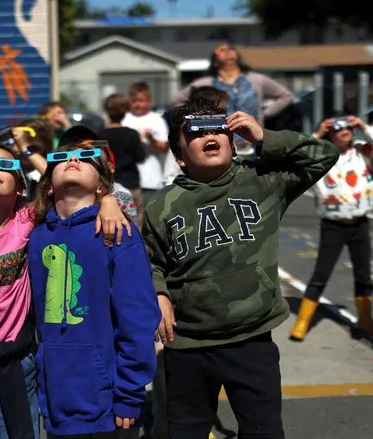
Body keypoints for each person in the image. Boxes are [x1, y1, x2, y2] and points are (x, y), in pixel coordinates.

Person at [143, 96, 339, 438]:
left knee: (263, 430)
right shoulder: (161, 205)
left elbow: (324, 155)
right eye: (195, 131)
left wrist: (264, 137)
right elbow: (150, 261)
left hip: (252, 340)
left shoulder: (263, 180)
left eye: (218, 127)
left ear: (234, 140)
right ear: (179, 158)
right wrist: (158, 293)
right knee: (185, 431)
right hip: (188, 345)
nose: (209, 135)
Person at [0, 145, 131, 439]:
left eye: (4, 165)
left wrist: (107, 198)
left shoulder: (27, 220)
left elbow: (63, 187)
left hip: (15, 358)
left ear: (21, 186)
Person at [27, 142, 160, 438]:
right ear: (48, 186)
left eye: (86, 158)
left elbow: (136, 319)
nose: (73, 159)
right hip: (55, 398)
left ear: (101, 186)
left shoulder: (118, 233)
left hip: (108, 399)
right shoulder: (35, 236)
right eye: (61, 157)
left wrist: (129, 393)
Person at [290, 114, 373, 341]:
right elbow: (297, 155)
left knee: (363, 275)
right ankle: (303, 322)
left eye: (348, 127)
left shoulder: (362, 152)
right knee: (321, 275)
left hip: (359, 223)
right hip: (332, 226)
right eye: (338, 128)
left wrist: (363, 125)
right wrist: (317, 133)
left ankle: (366, 323)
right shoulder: (321, 156)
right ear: (329, 133)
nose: (345, 130)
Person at [172, 43, 293, 160]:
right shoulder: (204, 83)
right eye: (222, 50)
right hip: (220, 142)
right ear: (215, 61)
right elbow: (176, 101)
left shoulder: (256, 79)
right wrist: (195, 118)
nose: (228, 51)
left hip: (253, 142)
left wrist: (264, 113)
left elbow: (285, 95)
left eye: (231, 49)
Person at [61, 125, 139, 222]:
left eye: (93, 151)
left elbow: (131, 231)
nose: (74, 159)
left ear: (110, 167)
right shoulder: (54, 195)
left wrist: (108, 198)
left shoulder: (120, 195)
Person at [122, 82, 177, 204]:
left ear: (149, 101)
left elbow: (164, 148)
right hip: (127, 181)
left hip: (151, 180)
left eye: (141, 101)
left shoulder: (156, 120)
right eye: (134, 101)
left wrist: (151, 138)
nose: (138, 104)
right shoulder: (125, 119)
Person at [99, 93, 146, 223]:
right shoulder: (131, 134)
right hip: (131, 183)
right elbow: (140, 157)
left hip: (109, 186)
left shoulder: (99, 135)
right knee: (136, 223)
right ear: (125, 111)